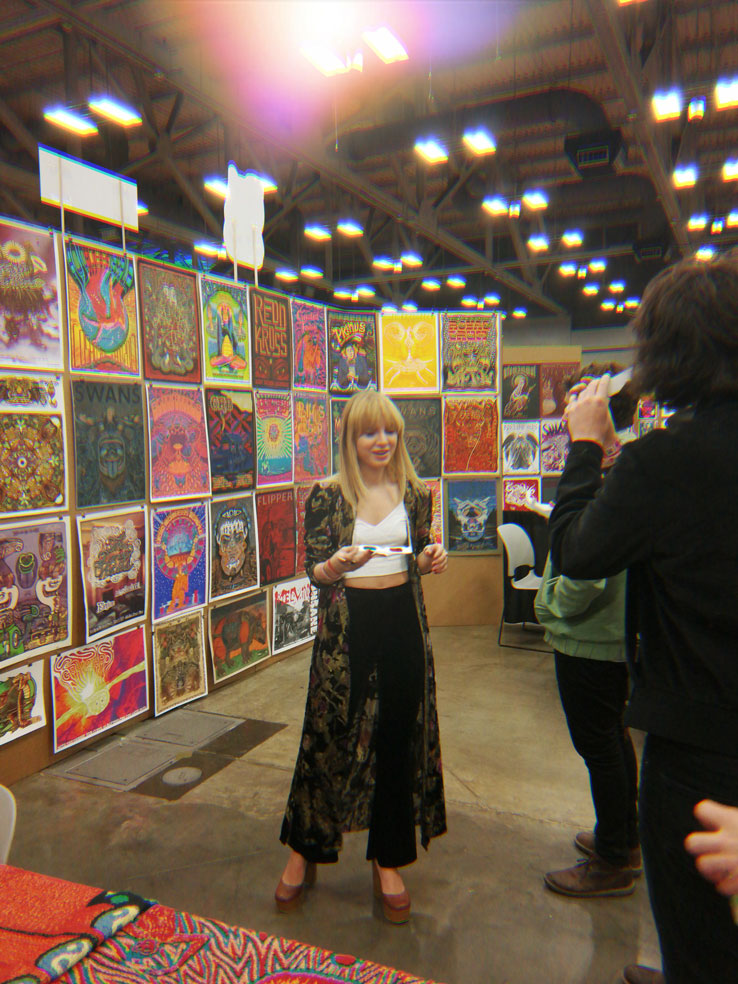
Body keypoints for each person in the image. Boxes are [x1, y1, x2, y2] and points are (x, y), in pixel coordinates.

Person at [548, 253, 738, 984]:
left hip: (699, 740)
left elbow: (576, 550)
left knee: (698, 936)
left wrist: (586, 446)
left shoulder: (670, 459)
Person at [276, 390, 448, 923]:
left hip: (402, 623)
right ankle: (303, 849)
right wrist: (335, 566)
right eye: (370, 432)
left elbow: (418, 557)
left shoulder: (415, 492)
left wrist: (430, 557)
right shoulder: (328, 494)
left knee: (397, 736)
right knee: (327, 734)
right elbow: (313, 569)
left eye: (390, 431)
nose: (382, 441)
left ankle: (388, 859)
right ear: (351, 439)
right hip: (348, 626)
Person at [535, 365, 641, 899]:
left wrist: (549, 605)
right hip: (609, 636)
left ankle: (614, 858)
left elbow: (585, 573)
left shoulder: (599, 476)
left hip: (590, 638)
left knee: (599, 744)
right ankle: (623, 835)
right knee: (612, 738)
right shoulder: (625, 470)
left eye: (575, 400)